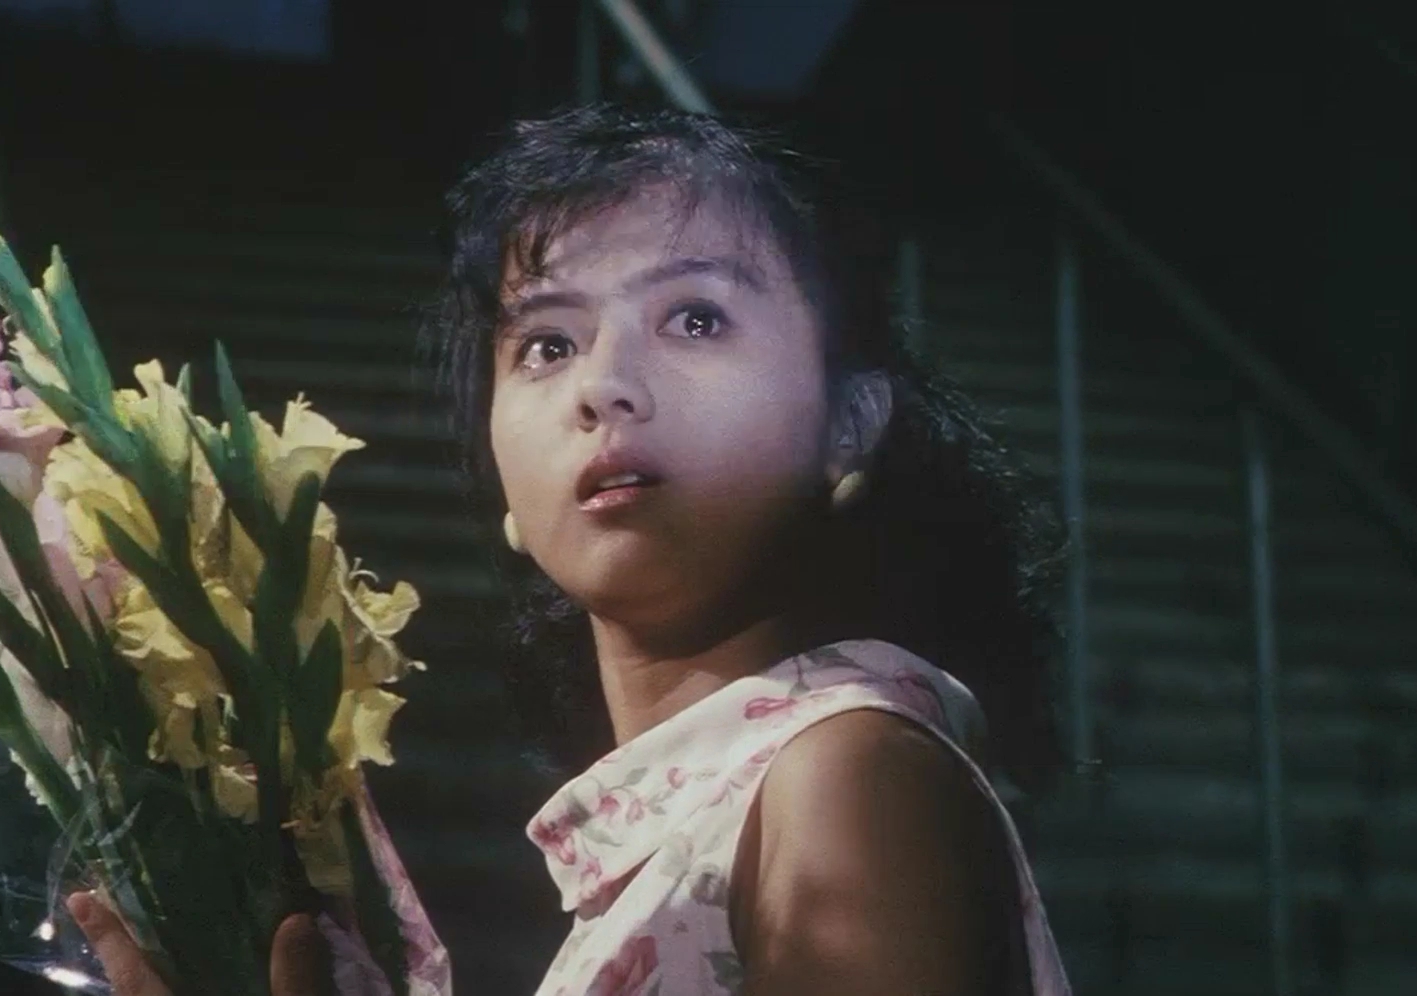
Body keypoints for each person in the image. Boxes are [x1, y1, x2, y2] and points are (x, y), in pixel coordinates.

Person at [74, 104, 1073, 996]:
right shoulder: (695, 830)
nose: (603, 385)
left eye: (695, 318)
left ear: (847, 426)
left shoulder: (845, 774)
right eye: (548, 344)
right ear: (502, 483)